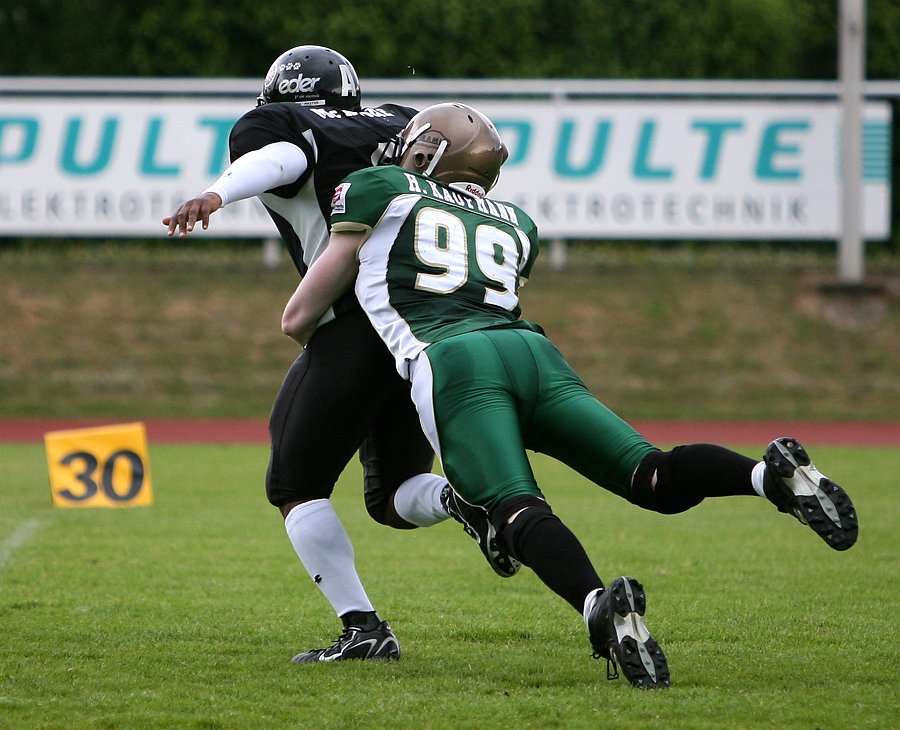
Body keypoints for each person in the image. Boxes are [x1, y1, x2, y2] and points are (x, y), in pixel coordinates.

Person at [280, 102, 859, 688]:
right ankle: (767, 477)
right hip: (534, 354)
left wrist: (320, 351)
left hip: (455, 361)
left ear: (427, 151)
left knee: (513, 507)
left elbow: (299, 315)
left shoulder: (379, 187)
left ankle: (598, 607)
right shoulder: (516, 222)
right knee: (651, 473)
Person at [163, 47, 519, 665]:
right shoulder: (395, 122)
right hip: (420, 323)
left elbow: (281, 159)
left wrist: (217, 194)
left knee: (294, 483)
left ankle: (363, 628)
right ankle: (461, 501)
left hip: (353, 322)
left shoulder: (285, 128)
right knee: (394, 495)